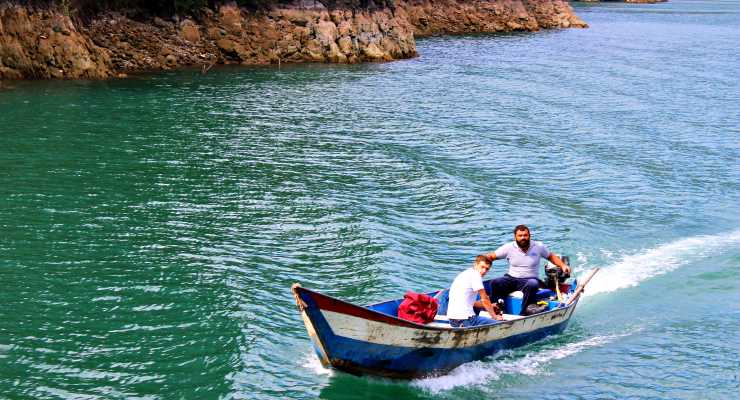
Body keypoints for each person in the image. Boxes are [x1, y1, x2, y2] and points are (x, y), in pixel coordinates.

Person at [486, 225, 571, 315]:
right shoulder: (508, 247)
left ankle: (525, 311)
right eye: (520, 235)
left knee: (533, 283)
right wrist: (480, 265)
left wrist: (563, 265)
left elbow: (551, 256)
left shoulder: (538, 246)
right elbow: (491, 256)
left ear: (529, 236)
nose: (523, 238)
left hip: (529, 279)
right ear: (515, 237)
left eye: (525, 235)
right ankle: (496, 308)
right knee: (495, 282)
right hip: (511, 278)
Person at [447, 255, 504, 328]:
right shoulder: (476, 275)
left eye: (487, 269)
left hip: (453, 320)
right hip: (466, 320)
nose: (484, 271)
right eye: (482, 267)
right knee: (500, 325)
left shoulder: (466, 273)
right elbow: (485, 299)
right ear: (475, 265)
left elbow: (471, 302)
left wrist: (491, 306)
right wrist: (495, 316)